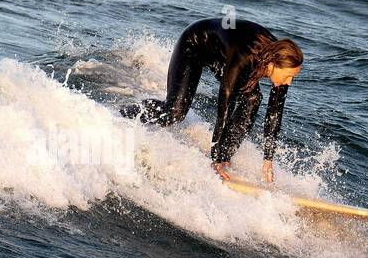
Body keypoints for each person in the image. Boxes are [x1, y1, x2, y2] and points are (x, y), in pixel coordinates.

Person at [120, 17, 302, 182]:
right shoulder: (244, 57)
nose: (289, 82)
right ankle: (128, 113)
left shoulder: (282, 65)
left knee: (253, 99)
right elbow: (224, 106)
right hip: (194, 44)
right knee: (174, 113)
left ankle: (226, 156)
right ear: (273, 63)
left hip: (222, 54)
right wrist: (214, 159)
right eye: (288, 76)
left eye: (292, 77)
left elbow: (274, 115)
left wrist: (268, 160)